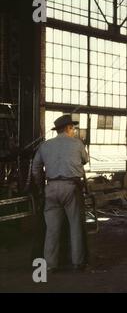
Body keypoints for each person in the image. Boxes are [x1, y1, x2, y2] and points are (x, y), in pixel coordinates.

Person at [32, 114, 89, 272]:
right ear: (68, 128)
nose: (74, 131)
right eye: (73, 129)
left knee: (52, 229)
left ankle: (50, 265)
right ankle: (77, 263)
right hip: (71, 187)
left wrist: (40, 187)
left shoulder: (45, 146)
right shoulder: (77, 144)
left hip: (50, 188)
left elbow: (35, 168)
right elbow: (85, 160)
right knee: (75, 225)